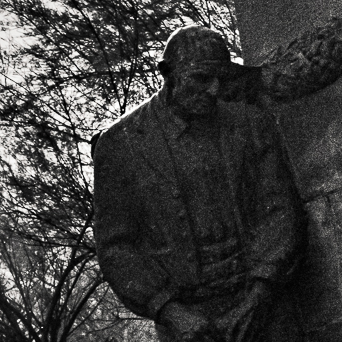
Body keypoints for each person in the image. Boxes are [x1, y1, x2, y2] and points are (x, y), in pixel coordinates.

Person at [92, 26, 305, 342]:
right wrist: (169, 311)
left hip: (263, 310)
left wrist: (261, 291)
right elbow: (116, 247)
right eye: (201, 79)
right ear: (168, 74)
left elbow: (282, 209)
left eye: (220, 78)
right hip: (186, 324)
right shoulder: (120, 145)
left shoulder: (249, 123)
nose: (214, 89)